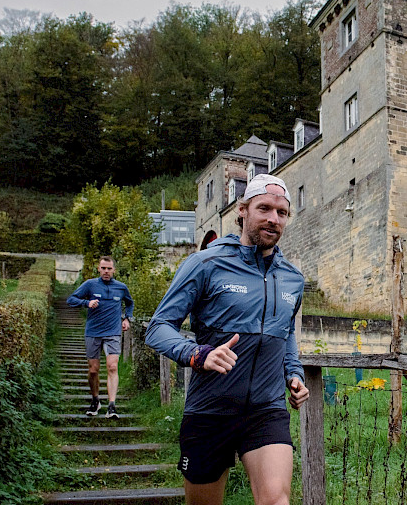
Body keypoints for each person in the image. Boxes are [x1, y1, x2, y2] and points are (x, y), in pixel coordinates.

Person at [145, 173, 309, 505]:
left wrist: (294, 373)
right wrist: (197, 354)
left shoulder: (292, 278)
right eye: (264, 209)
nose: (273, 219)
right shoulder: (205, 263)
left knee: (276, 501)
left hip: (266, 409)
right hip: (210, 410)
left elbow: (286, 332)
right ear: (242, 210)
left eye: (282, 213)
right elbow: (158, 327)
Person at [66, 256, 134, 418]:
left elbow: (129, 303)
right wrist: (86, 303)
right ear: (99, 269)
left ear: (113, 270)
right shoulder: (90, 284)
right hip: (93, 332)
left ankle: (112, 406)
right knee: (93, 370)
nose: (106, 271)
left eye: (109, 268)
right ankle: (95, 400)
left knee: (112, 366)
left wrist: (127, 318)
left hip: (113, 332)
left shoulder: (121, 287)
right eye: (103, 268)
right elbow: (71, 299)